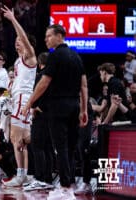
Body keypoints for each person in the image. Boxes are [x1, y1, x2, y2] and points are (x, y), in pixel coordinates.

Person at [22, 24, 88, 199]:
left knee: (61, 148)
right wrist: (84, 109)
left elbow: (44, 83)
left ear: (60, 36)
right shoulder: (76, 56)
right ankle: (69, 186)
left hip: (58, 107)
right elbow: (83, 85)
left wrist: (29, 102)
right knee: (71, 148)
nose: (46, 40)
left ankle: (65, 189)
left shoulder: (55, 56)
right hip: (74, 106)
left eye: (48, 36)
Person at [0, 6, 37, 187]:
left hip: (24, 99)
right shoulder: (16, 61)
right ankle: (22, 174)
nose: (17, 42)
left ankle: (23, 174)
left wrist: (13, 20)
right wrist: (6, 96)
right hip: (16, 99)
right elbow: (13, 85)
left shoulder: (29, 57)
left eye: (19, 41)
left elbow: (23, 37)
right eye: (15, 41)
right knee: (18, 139)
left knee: (19, 138)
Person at [23, 52, 54, 191]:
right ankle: (47, 178)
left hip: (42, 116)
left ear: (40, 63)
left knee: (38, 146)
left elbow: (40, 94)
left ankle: (40, 178)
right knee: (47, 147)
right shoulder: (56, 76)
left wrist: (35, 107)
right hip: (53, 116)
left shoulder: (41, 76)